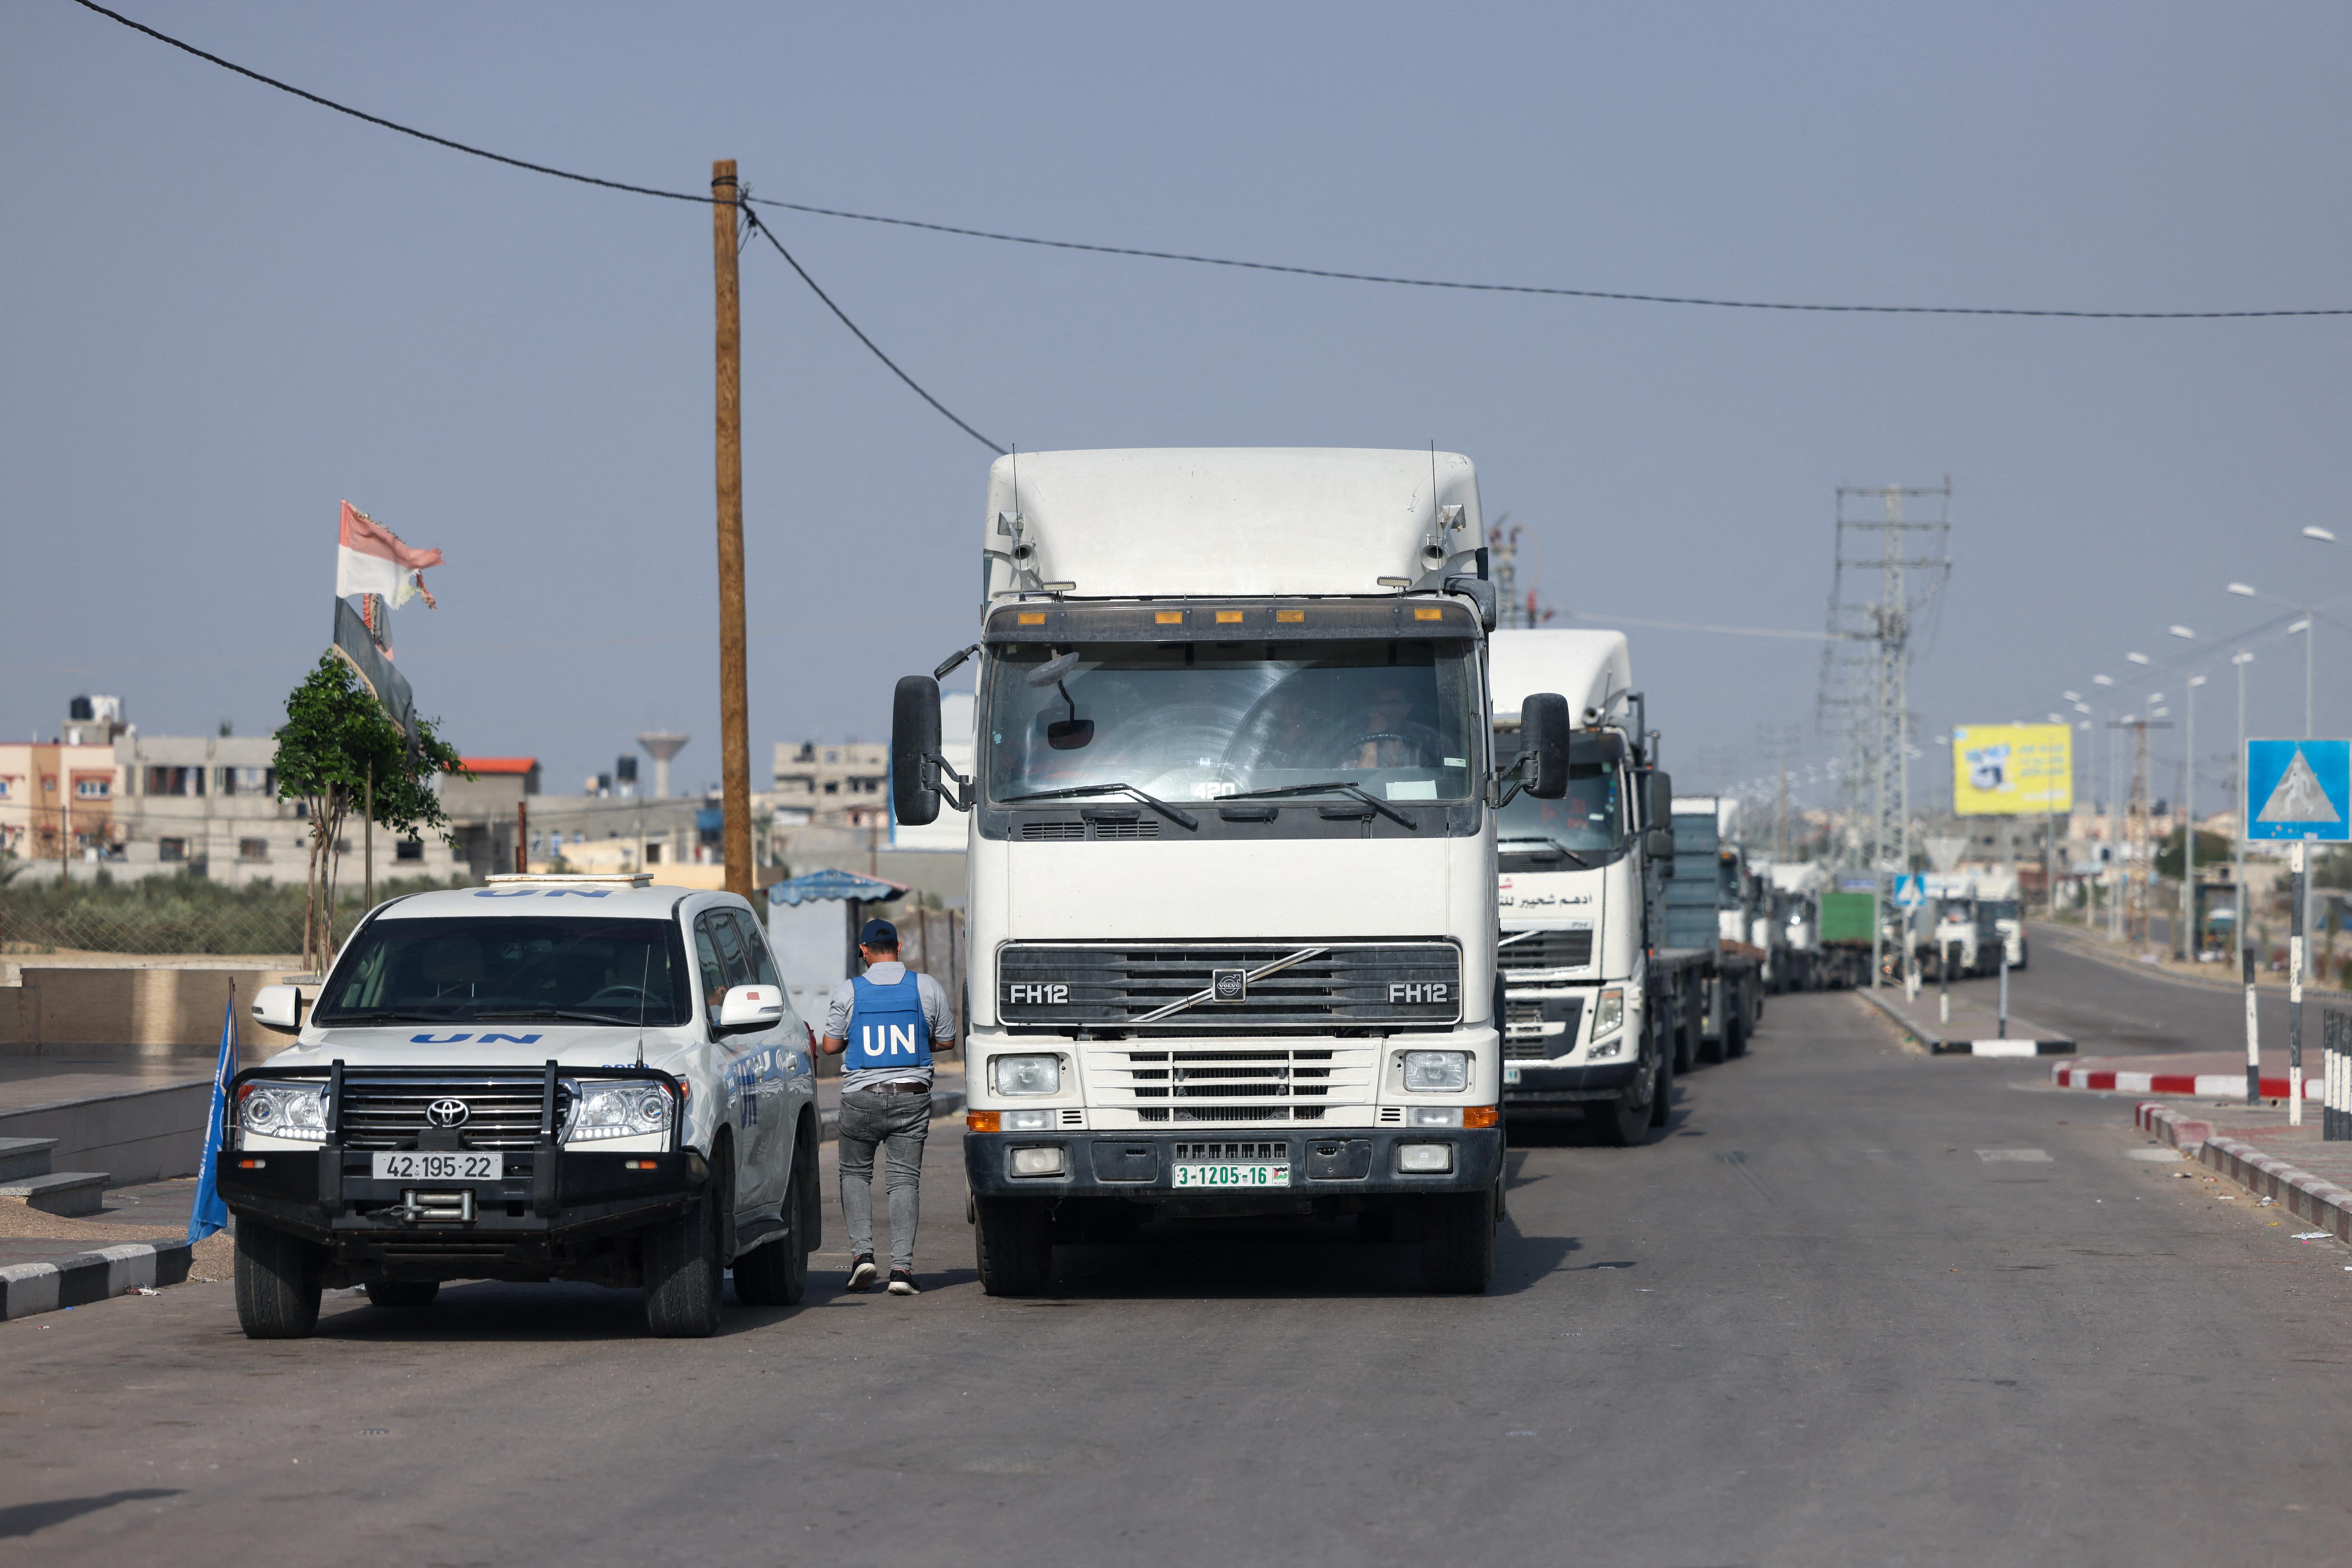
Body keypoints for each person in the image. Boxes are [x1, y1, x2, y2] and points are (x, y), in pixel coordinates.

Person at [819, 918, 957, 1296]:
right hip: (911, 1098)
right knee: (903, 1181)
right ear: (899, 947)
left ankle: (863, 1256)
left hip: (861, 1098)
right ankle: (901, 1270)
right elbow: (947, 1040)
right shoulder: (926, 986)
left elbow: (830, 1047)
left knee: (855, 1174)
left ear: (863, 951)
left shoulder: (849, 990)